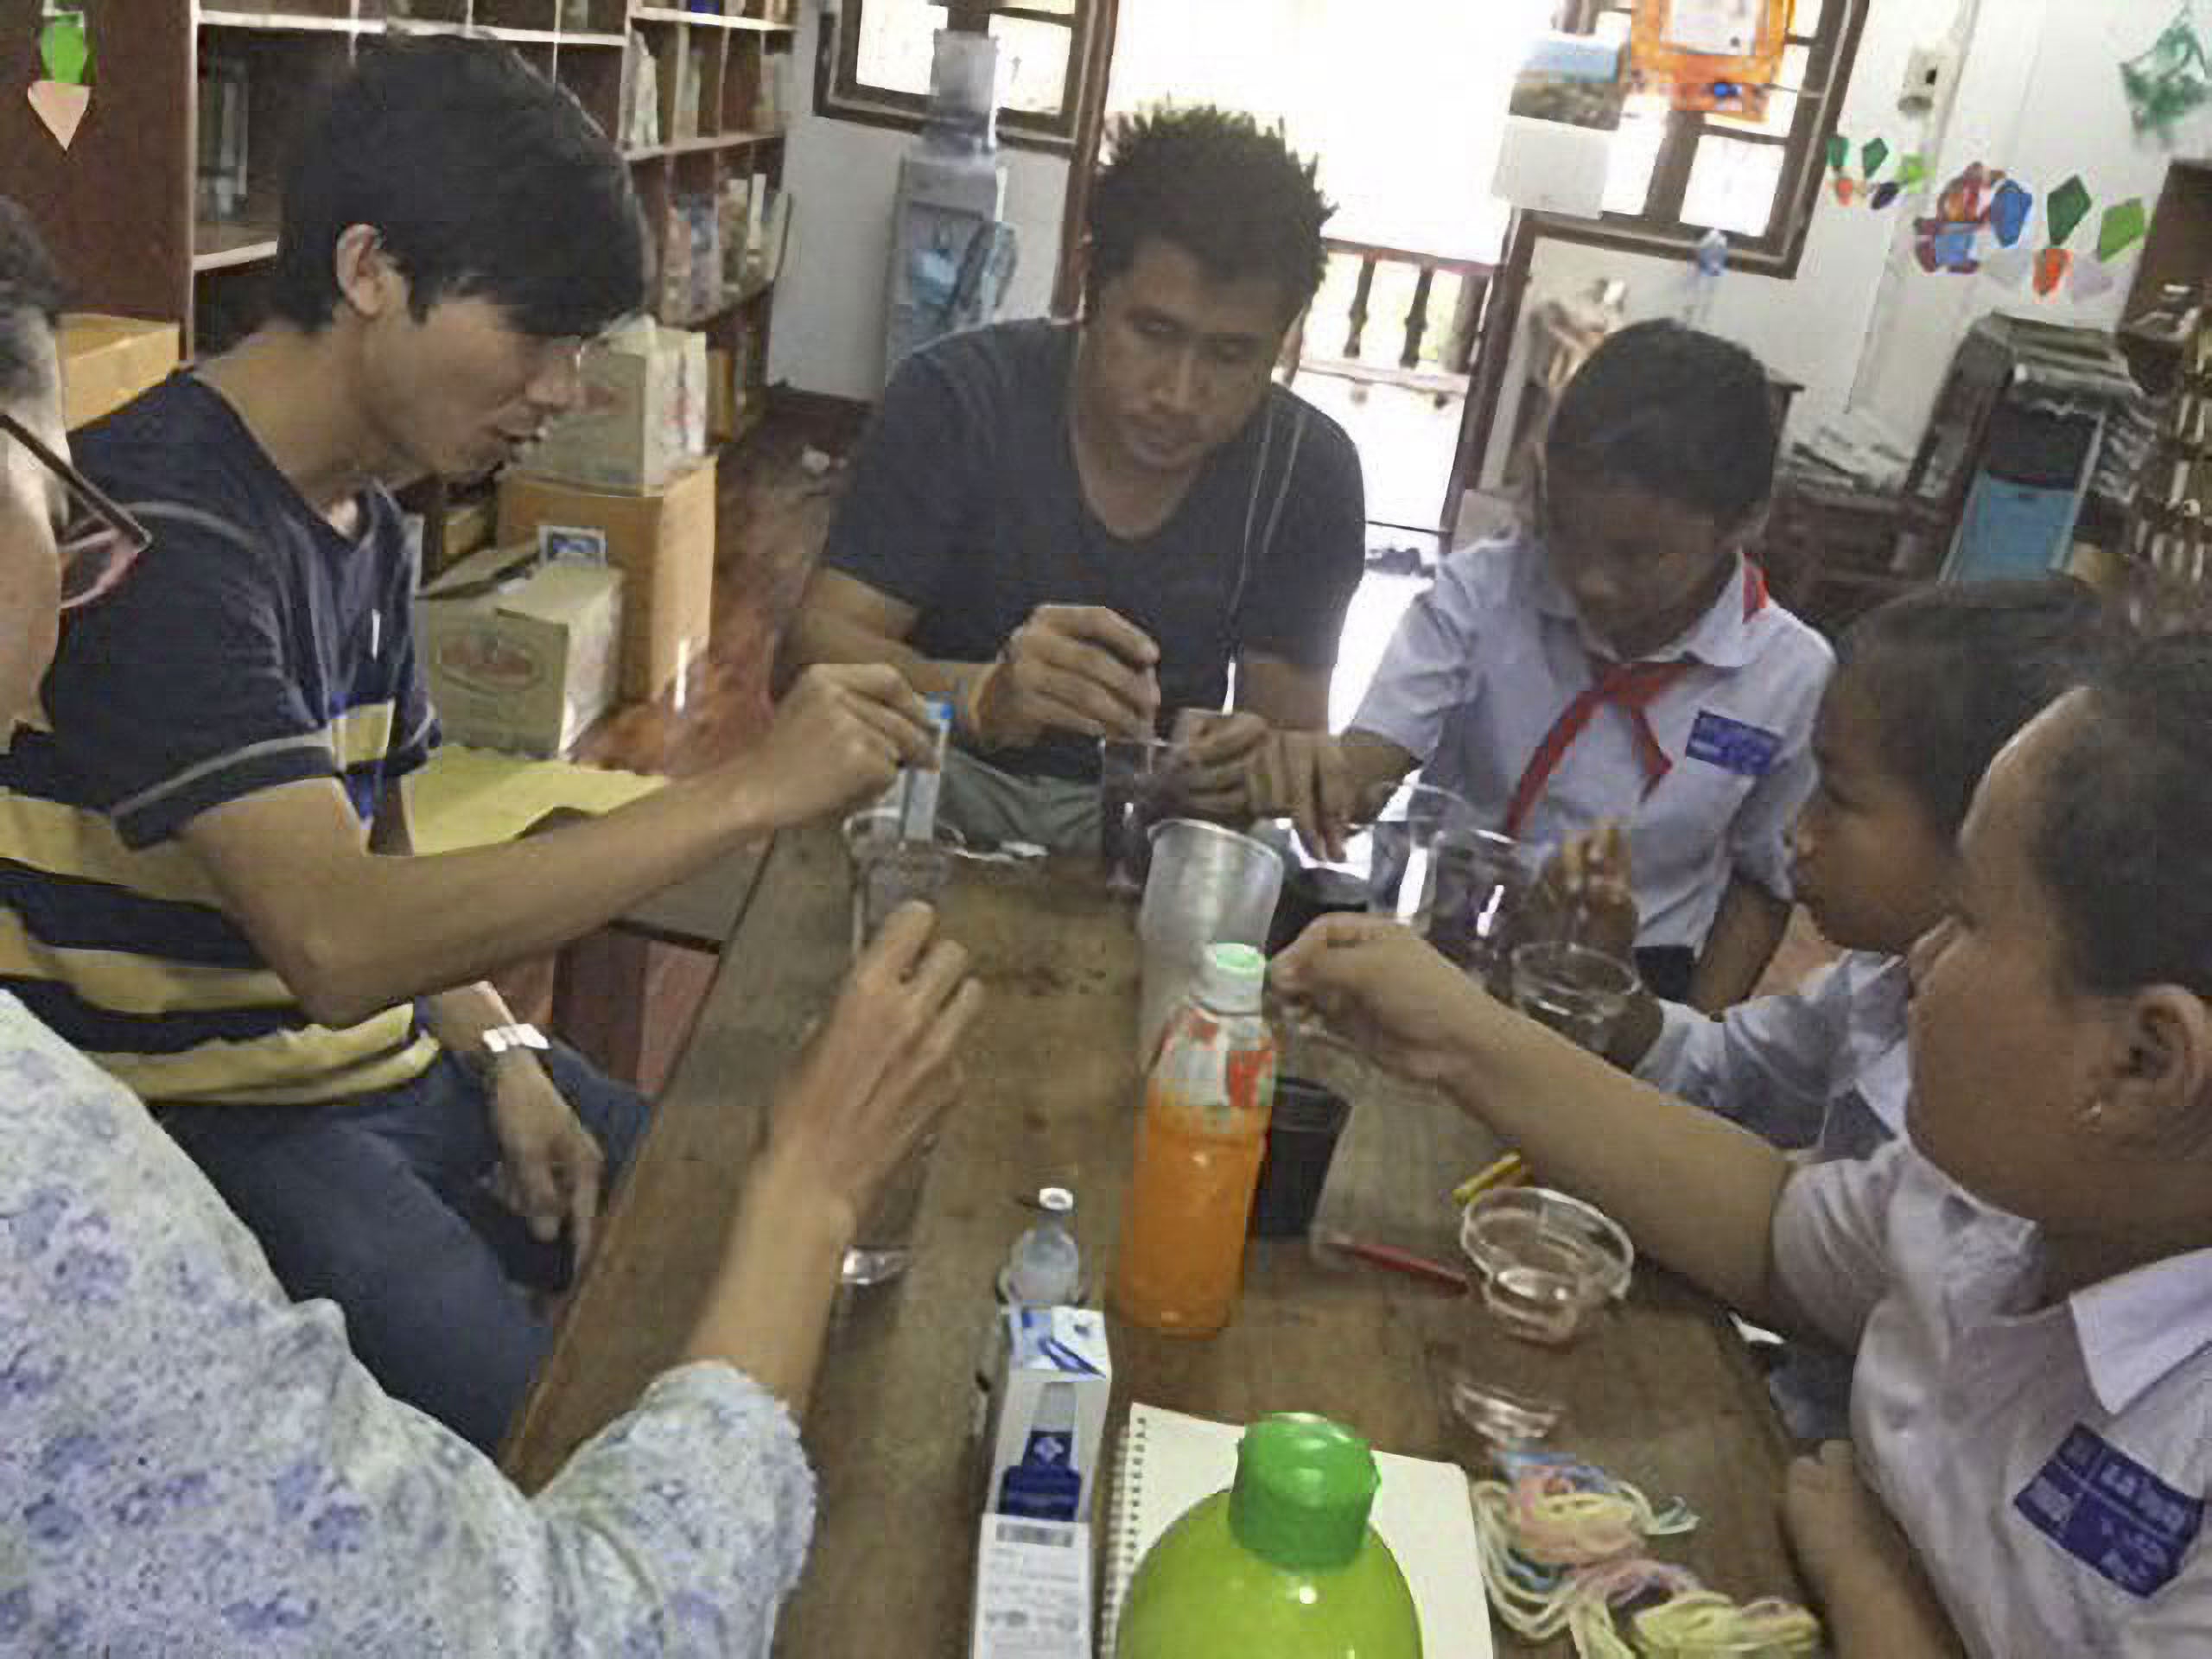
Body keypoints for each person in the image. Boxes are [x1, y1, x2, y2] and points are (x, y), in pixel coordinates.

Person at [0, 193, 986, 1652]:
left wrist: (509, 1047)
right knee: (555, 1410)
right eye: (539, 337)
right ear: (370, 270)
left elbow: (386, 869)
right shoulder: (168, 527)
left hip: (381, 1059)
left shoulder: (364, 523)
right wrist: (743, 796)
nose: (566, 392)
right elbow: (340, 943)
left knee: (704, 1215)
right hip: (222, 1107)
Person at [1277, 628, 2212, 1656]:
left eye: (1965, 920)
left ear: (2143, 1062)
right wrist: (1456, 1030)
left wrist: (1870, 1584)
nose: (1915, 965)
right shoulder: (2001, 1201)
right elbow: (1772, 1230)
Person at [1559, 575, 2121, 1439]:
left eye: (1841, 797)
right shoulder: (1872, 985)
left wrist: (1458, 1028)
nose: (1798, 831)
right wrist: (1609, 976)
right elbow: (1716, 1074)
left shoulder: (2012, 1136)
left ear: (1982, 832)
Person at [782, 104, 1368, 853]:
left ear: (1286, 340)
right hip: (934, 774)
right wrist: (981, 697)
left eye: (1230, 355)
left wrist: (1245, 766)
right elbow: (807, 656)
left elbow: (1290, 737)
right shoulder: (956, 400)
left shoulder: (1307, 475)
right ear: (1087, 281)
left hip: (1147, 816)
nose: (1180, 394)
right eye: (1153, 332)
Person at [1256, 321, 1829, 1007]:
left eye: (1638, 556)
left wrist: (1695, 1042)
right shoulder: (1483, 592)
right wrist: (1311, 776)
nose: (1590, 581)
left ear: (1743, 522)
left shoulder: (1789, 676)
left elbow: (1762, 884)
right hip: (1446, 939)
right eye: (1562, 531)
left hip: (1630, 980)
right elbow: (1372, 756)